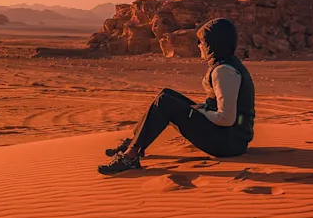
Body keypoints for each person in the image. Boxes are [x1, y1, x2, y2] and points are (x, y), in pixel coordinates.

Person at [98, 18, 255, 175]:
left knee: (165, 103)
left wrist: (201, 111)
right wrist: (201, 109)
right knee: (166, 95)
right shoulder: (227, 64)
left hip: (228, 144)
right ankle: (134, 142)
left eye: (202, 42)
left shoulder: (223, 71)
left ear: (212, 44)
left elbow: (227, 118)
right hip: (232, 138)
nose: (199, 46)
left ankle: (130, 156)